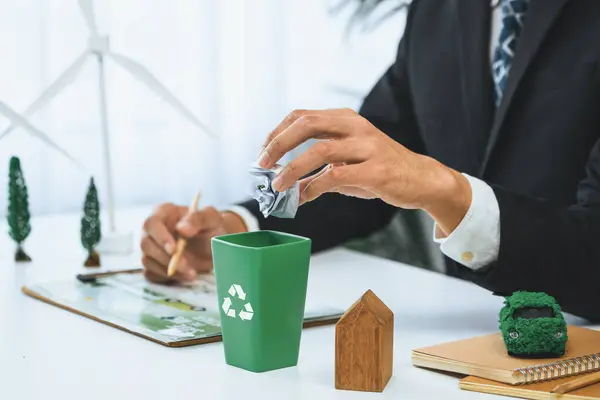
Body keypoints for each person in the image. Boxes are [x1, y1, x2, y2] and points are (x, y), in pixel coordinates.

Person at [140, 0, 600, 321]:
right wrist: (240, 231)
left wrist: (446, 191)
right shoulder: (439, 11)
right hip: (456, 347)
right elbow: (363, 181)